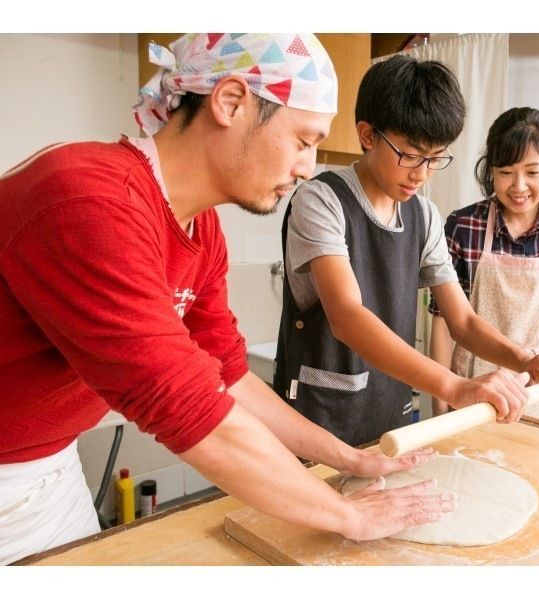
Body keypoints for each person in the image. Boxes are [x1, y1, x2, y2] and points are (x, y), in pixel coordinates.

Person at [0, 33, 456, 566]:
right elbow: (184, 404)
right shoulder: (89, 198)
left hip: (49, 466)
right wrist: (348, 516)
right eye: (303, 141)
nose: (309, 167)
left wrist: (347, 457)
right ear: (231, 101)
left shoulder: (203, 230)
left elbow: (228, 374)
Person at [274, 55, 539, 448]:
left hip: (392, 422)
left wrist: (524, 360)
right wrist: (454, 386)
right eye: (411, 155)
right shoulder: (321, 200)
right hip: (319, 423)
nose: (421, 174)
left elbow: (463, 322)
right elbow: (347, 317)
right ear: (367, 135)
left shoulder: (424, 215)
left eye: (435, 158)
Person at [429, 107, 539, 428]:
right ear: (490, 170)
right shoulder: (464, 225)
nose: (519, 186)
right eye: (506, 172)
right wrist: (440, 407)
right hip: (476, 397)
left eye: (532, 172)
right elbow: (444, 322)